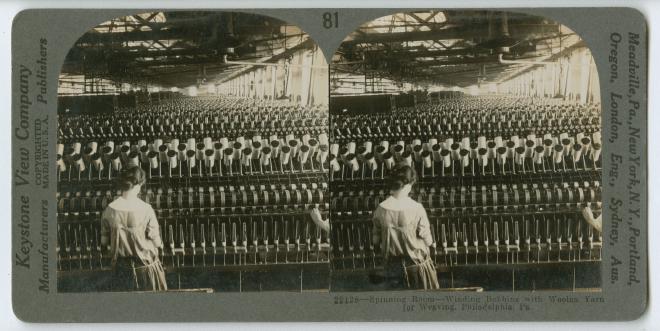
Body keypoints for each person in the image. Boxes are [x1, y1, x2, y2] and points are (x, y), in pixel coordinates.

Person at [371, 163, 439, 290]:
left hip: (393, 271)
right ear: (408, 185)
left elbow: (375, 240)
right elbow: (428, 240)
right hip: (417, 270)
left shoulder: (380, 209)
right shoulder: (417, 208)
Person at [101, 165, 167, 291]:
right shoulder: (146, 209)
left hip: (121, 271)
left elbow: (104, 242)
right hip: (146, 271)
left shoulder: (108, 210)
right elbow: (157, 242)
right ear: (138, 185)